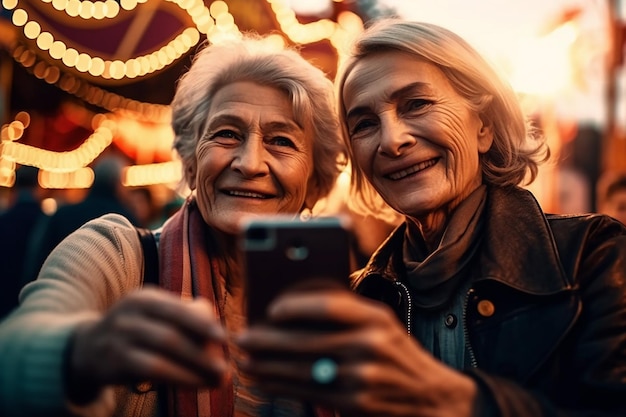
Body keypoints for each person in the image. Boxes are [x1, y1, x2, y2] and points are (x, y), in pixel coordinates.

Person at [235, 19, 626, 417]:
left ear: (484, 125)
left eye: (416, 104)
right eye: (365, 124)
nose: (392, 140)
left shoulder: (592, 256)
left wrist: (459, 400)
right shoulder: (360, 297)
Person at [0, 34, 345, 417]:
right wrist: (83, 351)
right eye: (227, 134)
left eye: (281, 141)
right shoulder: (116, 254)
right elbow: (12, 351)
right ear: (191, 161)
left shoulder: (341, 302)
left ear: (315, 182)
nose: (249, 163)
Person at [21, 154, 140, 284]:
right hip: (106, 298)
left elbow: (39, 258)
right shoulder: (127, 221)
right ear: (117, 183)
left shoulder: (63, 214)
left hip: (59, 288)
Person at [0, 165, 45, 319]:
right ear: (37, 187)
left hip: (4, 297)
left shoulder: (4, 219)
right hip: (33, 302)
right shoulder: (46, 221)